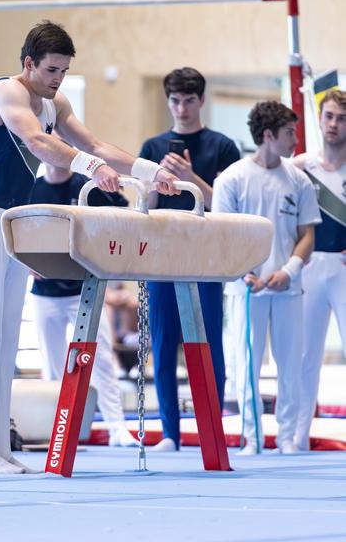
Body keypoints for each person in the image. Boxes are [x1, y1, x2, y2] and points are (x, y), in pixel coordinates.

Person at [0, 20, 178, 474]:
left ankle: (0, 449)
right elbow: (37, 141)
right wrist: (91, 167)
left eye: (64, 70)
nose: (57, 78)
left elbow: (94, 143)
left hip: (16, 224)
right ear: (28, 63)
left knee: (5, 340)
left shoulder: (55, 102)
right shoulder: (7, 93)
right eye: (51, 69)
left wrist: (149, 172)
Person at [139, 67, 240, 452]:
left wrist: (191, 177)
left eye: (188, 101)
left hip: (204, 259)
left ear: (201, 101)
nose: (181, 108)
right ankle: (170, 432)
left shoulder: (222, 146)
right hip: (162, 257)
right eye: (175, 101)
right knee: (163, 346)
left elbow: (226, 207)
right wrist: (156, 182)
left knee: (209, 345)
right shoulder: (152, 148)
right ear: (168, 101)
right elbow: (141, 209)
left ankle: (210, 428)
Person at [212, 100, 321, 455]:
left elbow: (307, 234)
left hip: (288, 288)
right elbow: (222, 235)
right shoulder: (232, 179)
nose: (295, 139)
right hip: (246, 288)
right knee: (247, 367)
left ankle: (287, 437)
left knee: (291, 366)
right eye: (290, 133)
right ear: (269, 135)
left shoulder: (298, 180)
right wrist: (244, 273)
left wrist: (288, 271)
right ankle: (252, 437)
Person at [29, 161, 137, 447]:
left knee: (100, 359)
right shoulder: (33, 187)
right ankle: (57, 430)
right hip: (45, 290)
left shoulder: (87, 186)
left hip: (84, 288)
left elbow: (124, 214)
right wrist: (25, 262)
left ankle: (117, 428)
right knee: (52, 366)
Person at [293, 89, 346, 450]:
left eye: (341, 118)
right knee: (305, 353)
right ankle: (297, 433)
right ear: (319, 118)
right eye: (329, 116)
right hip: (311, 266)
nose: (333, 124)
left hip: (342, 269)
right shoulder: (299, 167)